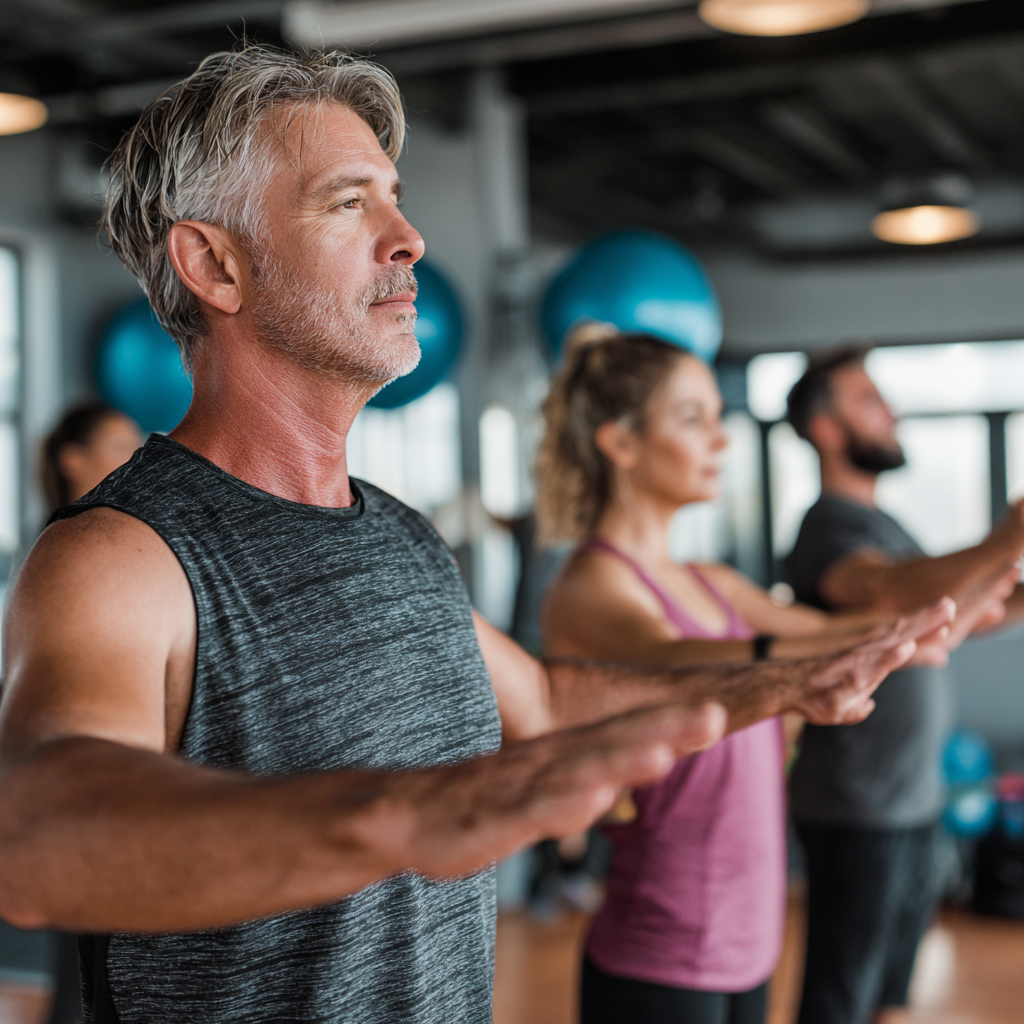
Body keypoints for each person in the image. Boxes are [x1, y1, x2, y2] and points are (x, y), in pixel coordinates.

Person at [0, 46, 953, 1024]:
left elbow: (544, 698)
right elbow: (35, 836)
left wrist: (783, 683)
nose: (409, 238)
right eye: (348, 203)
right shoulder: (121, 554)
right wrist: (405, 812)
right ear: (215, 265)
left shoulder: (402, 536)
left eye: (396, 198)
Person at [536, 329, 1013, 1024]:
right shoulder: (592, 583)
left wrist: (936, 619)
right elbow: (672, 662)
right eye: (693, 418)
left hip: (748, 943)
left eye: (716, 417)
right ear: (622, 443)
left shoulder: (714, 582)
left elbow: (833, 631)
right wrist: (809, 664)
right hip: (661, 948)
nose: (721, 439)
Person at [784, 346, 1024, 1024]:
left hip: (911, 798)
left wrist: (1010, 574)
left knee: (889, 996)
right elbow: (885, 591)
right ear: (826, 429)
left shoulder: (886, 525)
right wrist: (1007, 538)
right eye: (868, 400)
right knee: (839, 1000)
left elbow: (962, 613)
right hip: (858, 805)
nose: (889, 411)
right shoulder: (827, 526)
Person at [36, 402, 144, 1024]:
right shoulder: (65, 552)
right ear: (71, 460)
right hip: (77, 795)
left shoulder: (122, 543)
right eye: (116, 445)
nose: (134, 457)